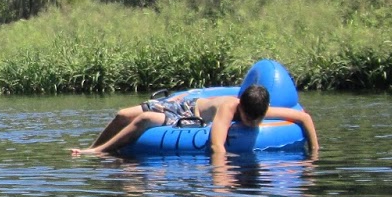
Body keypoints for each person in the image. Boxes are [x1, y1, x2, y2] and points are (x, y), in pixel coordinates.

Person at [70, 83, 319, 158]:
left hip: (189, 118)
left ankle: (97, 153)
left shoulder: (258, 109)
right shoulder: (231, 107)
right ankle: (95, 146)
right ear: (241, 107)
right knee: (123, 114)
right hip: (185, 107)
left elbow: (304, 118)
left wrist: (314, 153)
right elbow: (216, 145)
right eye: (247, 119)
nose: (252, 125)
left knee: (145, 118)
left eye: (256, 120)